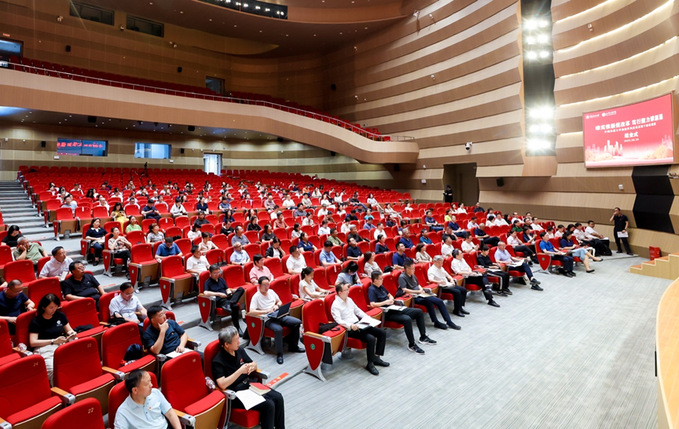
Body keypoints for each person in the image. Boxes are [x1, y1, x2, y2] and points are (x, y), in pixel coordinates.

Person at [211, 327, 285, 429]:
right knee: (269, 405)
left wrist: (252, 366)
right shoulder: (218, 361)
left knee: (278, 397)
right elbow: (222, 384)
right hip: (236, 393)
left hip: (250, 384)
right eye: (236, 340)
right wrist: (240, 371)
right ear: (227, 344)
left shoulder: (239, 350)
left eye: (238, 338)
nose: (239, 341)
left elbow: (253, 363)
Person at [330, 282, 389, 376]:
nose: (348, 291)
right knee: (370, 338)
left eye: (348, 289)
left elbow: (358, 311)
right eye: (346, 290)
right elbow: (338, 320)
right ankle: (370, 364)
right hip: (349, 329)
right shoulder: (335, 305)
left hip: (359, 324)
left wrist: (368, 319)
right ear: (340, 293)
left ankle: (376, 358)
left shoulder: (349, 299)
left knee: (382, 333)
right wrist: (350, 326)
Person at [368, 271, 433, 354]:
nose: (382, 280)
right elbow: (372, 304)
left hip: (394, 308)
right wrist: (385, 302)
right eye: (380, 279)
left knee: (418, 312)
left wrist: (391, 299)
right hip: (386, 313)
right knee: (407, 319)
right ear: (375, 280)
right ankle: (412, 344)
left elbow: (390, 295)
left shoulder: (381, 287)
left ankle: (423, 337)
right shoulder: (372, 289)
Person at [249, 277, 303, 364]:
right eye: (264, 285)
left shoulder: (271, 292)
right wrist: (266, 311)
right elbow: (251, 311)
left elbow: (280, 301)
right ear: (259, 285)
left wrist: (276, 306)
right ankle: (279, 353)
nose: (267, 287)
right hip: (268, 319)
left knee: (297, 322)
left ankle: (293, 346)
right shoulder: (256, 296)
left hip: (278, 315)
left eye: (268, 284)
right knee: (278, 329)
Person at [398, 260, 459, 330]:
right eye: (413, 269)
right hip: (413, 296)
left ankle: (448, 322)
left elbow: (418, 284)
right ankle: (437, 322)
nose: (414, 270)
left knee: (437, 301)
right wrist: (417, 291)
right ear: (407, 269)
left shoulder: (413, 275)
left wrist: (421, 290)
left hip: (420, 293)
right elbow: (404, 289)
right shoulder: (402, 277)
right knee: (433, 302)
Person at [29, 293, 76, 382]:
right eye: (51, 307)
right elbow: (33, 342)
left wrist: (72, 333)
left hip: (60, 344)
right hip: (44, 348)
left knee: (74, 364)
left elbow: (69, 330)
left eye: (56, 306)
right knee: (55, 371)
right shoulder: (36, 321)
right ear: (43, 307)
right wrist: (53, 341)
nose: (54, 309)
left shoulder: (60, 315)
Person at [114, 369, 182, 429]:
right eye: (147, 384)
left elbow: (170, 413)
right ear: (135, 390)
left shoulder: (155, 393)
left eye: (150, 381)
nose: (151, 385)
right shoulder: (123, 412)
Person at [203, 264, 245, 334]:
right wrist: (219, 294)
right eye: (215, 273)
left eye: (218, 272)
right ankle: (237, 328)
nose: (217, 274)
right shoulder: (207, 282)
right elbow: (205, 293)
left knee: (241, 289)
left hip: (227, 298)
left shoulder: (221, 280)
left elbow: (227, 288)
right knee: (235, 306)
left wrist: (229, 292)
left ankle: (229, 303)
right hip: (219, 300)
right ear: (210, 273)